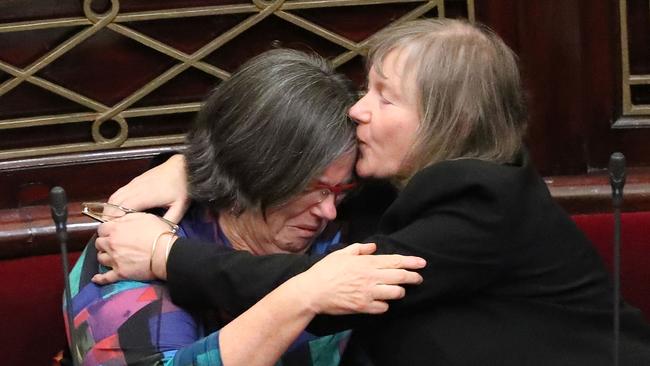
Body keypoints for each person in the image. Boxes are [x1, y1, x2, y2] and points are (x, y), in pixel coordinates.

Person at [94, 19, 650, 365]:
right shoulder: (406, 182)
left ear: (447, 126)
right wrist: (188, 166)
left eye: (385, 97)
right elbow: (261, 157)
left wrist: (166, 254)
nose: (358, 109)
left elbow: (328, 293)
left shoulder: (483, 206)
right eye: (367, 88)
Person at [66, 49, 425, 366]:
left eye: (341, 191)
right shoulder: (129, 247)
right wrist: (301, 296)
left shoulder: (354, 220)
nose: (328, 211)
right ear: (251, 168)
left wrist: (180, 164)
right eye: (309, 188)